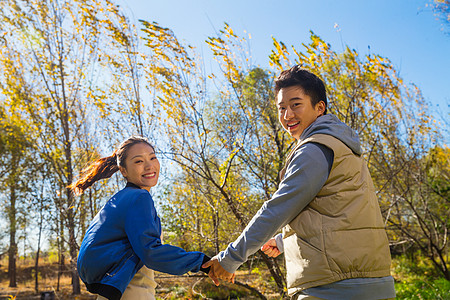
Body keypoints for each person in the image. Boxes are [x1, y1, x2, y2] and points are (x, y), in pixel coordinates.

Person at [203, 65, 396, 299]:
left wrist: (232, 257)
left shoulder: (315, 149)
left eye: (296, 104)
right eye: (281, 108)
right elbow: (340, 213)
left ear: (319, 108)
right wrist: (283, 241)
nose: (287, 115)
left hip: (334, 286)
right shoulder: (340, 145)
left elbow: (277, 209)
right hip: (366, 281)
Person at [69, 136, 212, 300]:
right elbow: (151, 252)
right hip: (134, 293)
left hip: (112, 292)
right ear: (123, 170)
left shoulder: (121, 199)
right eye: (138, 161)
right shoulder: (139, 197)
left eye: (152, 157)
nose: (149, 165)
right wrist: (202, 262)